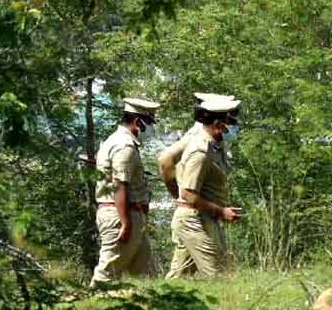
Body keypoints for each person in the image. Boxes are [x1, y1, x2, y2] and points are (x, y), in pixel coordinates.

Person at [166, 97, 242, 279]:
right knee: (218, 273)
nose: (234, 127)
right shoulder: (200, 151)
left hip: (203, 216)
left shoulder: (215, 146)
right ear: (218, 124)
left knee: (179, 277)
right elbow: (188, 194)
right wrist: (221, 211)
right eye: (231, 122)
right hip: (193, 220)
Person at [90, 97, 160, 287]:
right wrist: (125, 223)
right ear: (138, 122)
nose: (151, 128)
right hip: (121, 215)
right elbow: (119, 184)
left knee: (147, 276)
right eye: (149, 123)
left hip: (129, 215)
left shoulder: (116, 140)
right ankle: (91, 300)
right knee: (106, 276)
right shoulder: (125, 146)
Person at [158, 93, 235, 199]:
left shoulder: (214, 138)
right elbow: (165, 160)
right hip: (197, 205)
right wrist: (178, 195)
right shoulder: (197, 135)